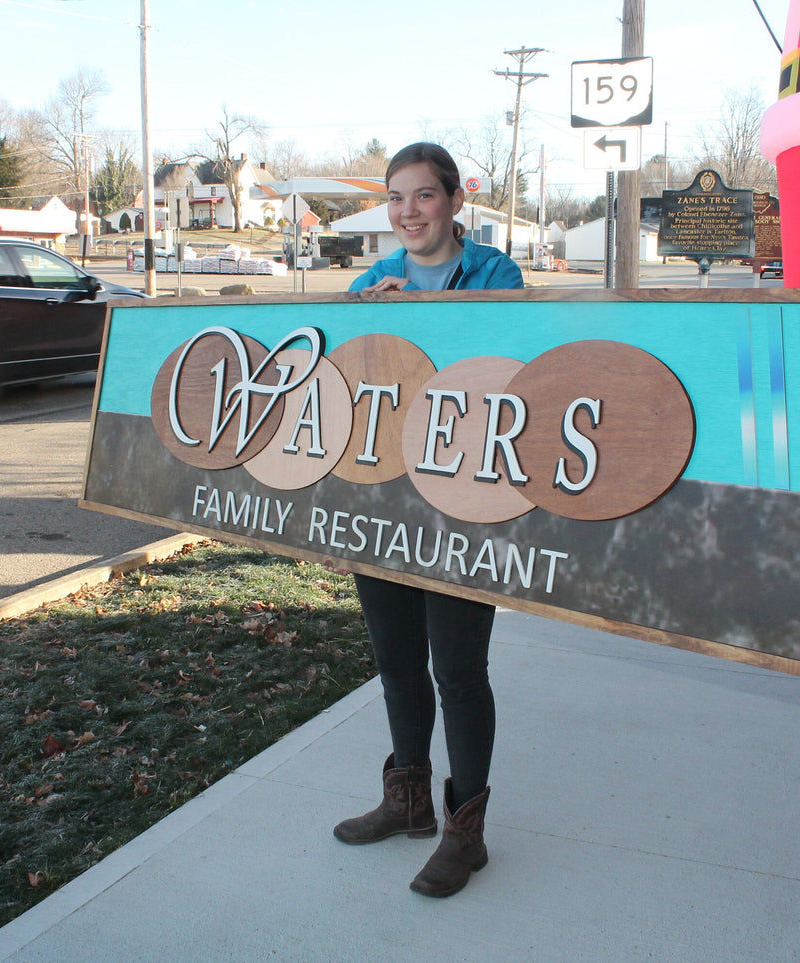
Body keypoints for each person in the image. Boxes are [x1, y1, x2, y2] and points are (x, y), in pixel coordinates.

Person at [333, 142, 523, 898]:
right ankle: (405, 799)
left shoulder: (496, 274)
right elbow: (344, 390)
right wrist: (369, 322)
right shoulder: (368, 283)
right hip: (384, 495)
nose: (408, 212)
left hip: (466, 498)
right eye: (395, 197)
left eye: (423, 195)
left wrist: (416, 319)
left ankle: (464, 834)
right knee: (397, 661)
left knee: (458, 670)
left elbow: (503, 367)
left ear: (454, 201)